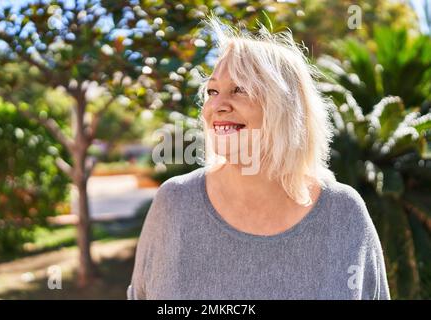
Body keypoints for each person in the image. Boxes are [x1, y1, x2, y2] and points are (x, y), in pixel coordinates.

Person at [127, 17, 390, 300]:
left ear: (286, 107)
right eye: (212, 91)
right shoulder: (175, 202)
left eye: (239, 89)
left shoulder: (344, 212)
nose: (216, 105)